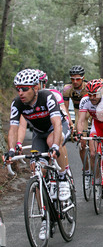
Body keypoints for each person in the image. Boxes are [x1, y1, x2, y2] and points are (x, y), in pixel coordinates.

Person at [5, 69, 72, 202]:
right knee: (36, 171)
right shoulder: (17, 103)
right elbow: (14, 128)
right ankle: (44, 216)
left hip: (58, 128)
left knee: (51, 140)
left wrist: (54, 146)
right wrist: (11, 150)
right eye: (18, 89)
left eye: (24, 89)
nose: (20, 93)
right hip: (39, 134)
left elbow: (57, 123)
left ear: (36, 87)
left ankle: (63, 177)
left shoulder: (46, 96)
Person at [77, 79, 103, 177]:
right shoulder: (85, 101)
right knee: (93, 154)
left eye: (95, 94)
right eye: (90, 94)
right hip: (96, 123)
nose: (92, 97)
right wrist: (79, 133)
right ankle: (96, 182)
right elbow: (81, 120)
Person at [63, 65, 89, 164]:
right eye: (72, 79)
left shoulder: (88, 86)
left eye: (77, 79)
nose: (75, 81)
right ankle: (86, 169)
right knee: (82, 142)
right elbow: (65, 108)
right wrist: (70, 122)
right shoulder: (67, 89)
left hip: (91, 110)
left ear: (83, 78)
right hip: (79, 111)